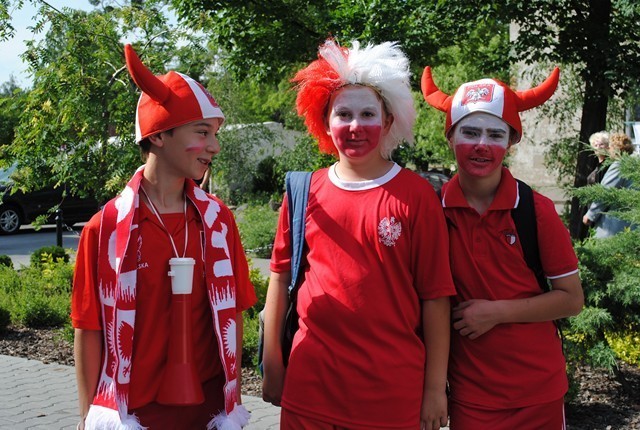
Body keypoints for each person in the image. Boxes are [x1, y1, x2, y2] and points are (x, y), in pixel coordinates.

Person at [261, 39, 456, 430]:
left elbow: (435, 298)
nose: (354, 126)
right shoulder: (303, 191)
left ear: (387, 122)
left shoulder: (417, 196)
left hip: (389, 395)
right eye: (343, 114)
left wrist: (435, 389)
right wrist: (272, 364)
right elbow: (280, 278)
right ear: (325, 122)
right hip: (309, 387)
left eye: (367, 114)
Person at [71, 44, 256, 430]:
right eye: (202, 132)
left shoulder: (218, 221)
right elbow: (89, 331)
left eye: (215, 134)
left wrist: (232, 404)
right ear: (158, 136)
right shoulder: (104, 229)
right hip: (137, 414)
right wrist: (88, 417)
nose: (214, 146)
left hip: (209, 412)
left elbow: (233, 313)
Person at [422, 66, 584, 429]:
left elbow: (571, 300)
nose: (482, 144)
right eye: (470, 132)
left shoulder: (535, 210)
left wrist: (496, 312)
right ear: (450, 137)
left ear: (511, 141)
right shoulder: (432, 212)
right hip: (471, 396)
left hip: (538, 392)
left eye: (495, 134)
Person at [583, 132, 636, 238]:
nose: (608, 149)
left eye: (610, 146)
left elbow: (605, 192)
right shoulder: (633, 164)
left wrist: (590, 215)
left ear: (616, 148)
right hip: (633, 223)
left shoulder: (619, 165)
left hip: (615, 227)